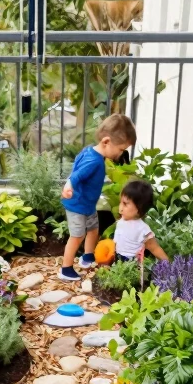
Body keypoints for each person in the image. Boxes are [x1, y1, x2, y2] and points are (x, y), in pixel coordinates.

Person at [59, 114, 137, 281]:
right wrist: (68, 186)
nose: (121, 154)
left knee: (94, 229)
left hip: (87, 204)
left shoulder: (90, 151)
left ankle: (87, 257)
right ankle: (66, 268)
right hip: (77, 205)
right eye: (121, 149)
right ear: (106, 141)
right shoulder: (94, 161)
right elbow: (77, 175)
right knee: (77, 236)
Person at [114, 179, 168, 263]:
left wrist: (168, 264)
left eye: (125, 204)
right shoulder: (121, 221)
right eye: (120, 202)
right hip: (117, 259)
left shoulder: (142, 229)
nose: (120, 208)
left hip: (132, 263)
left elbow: (154, 248)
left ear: (139, 208)